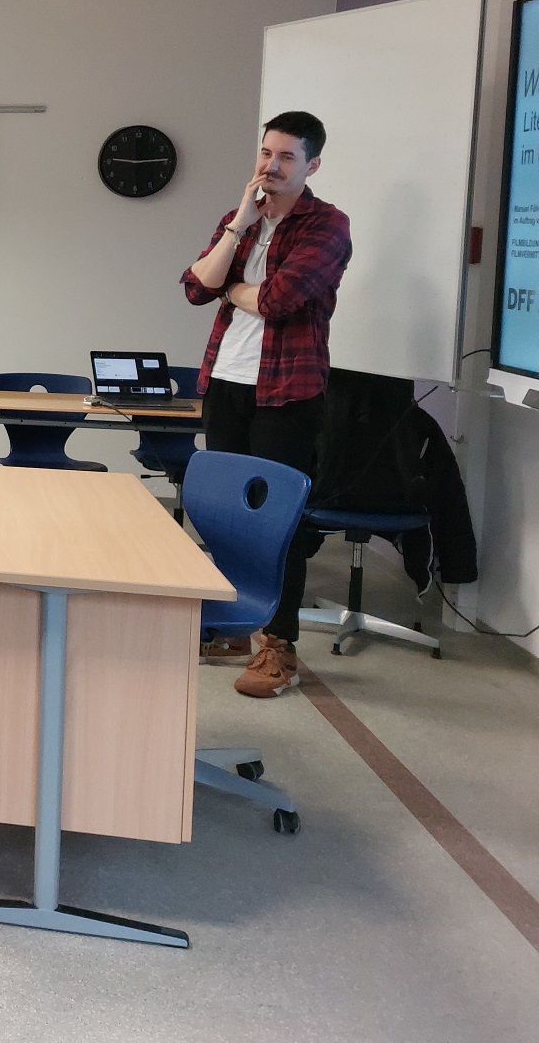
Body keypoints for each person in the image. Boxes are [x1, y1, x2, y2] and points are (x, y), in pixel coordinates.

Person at [183, 110, 352, 699]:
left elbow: (280, 300)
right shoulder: (242, 220)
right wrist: (239, 227)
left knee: (276, 522)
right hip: (227, 382)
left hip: (287, 390)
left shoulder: (327, 225)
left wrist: (231, 288)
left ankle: (278, 647)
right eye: (265, 153)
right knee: (226, 513)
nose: (271, 166)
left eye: (286, 157)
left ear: (312, 165)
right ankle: (232, 626)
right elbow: (195, 286)